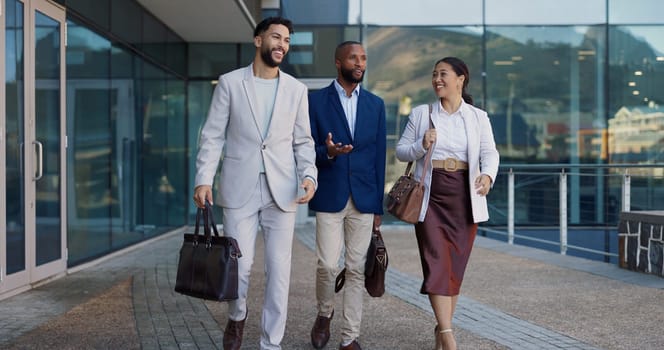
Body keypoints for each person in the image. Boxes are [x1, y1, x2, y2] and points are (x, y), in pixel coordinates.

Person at [192, 16, 317, 350]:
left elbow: (303, 142)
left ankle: (271, 342)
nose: (282, 45)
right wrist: (203, 178)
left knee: (279, 272)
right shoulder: (231, 83)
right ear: (258, 40)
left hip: (283, 189)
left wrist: (309, 175)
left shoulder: (296, 90)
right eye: (276, 37)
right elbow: (212, 135)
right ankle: (237, 315)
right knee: (240, 266)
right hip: (239, 186)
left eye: (287, 40)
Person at [395, 57, 499, 350]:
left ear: (460, 79)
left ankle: (441, 329)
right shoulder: (421, 114)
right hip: (431, 196)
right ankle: (450, 337)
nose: (437, 79)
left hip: (465, 197)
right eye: (434, 75)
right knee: (436, 262)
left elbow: (490, 152)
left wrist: (488, 176)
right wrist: (421, 145)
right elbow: (402, 152)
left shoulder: (478, 117)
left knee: (455, 268)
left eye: (443, 74)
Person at [307, 41, 387, 350]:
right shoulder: (315, 102)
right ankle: (324, 313)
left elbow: (379, 156)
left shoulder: (375, 105)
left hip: (365, 197)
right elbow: (304, 147)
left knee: (356, 268)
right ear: (338, 62)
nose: (360, 62)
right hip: (330, 192)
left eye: (364, 58)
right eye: (353, 57)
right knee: (327, 264)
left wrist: (378, 205)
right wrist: (325, 152)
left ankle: (349, 337)